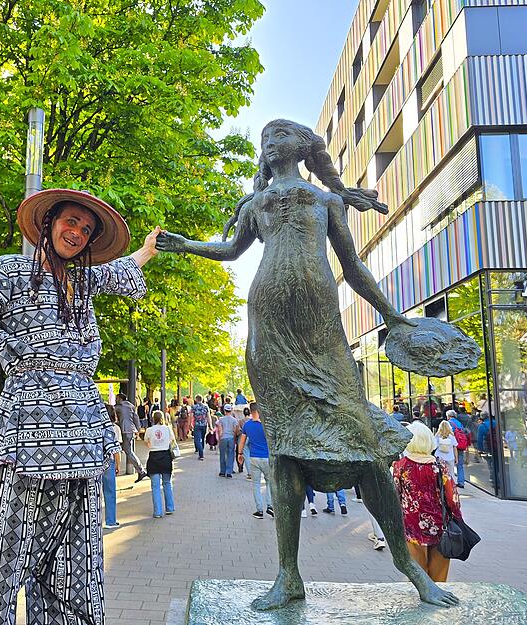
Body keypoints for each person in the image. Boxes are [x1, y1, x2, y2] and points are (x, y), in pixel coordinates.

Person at [157, 119, 460, 608]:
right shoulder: (256, 204)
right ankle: (287, 575)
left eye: (281, 135)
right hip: (269, 327)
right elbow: (231, 251)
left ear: (303, 147)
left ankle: (411, 570)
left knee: (360, 442)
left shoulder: (326, 201)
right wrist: (184, 244)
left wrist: (393, 317)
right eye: (266, 138)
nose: (271, 142)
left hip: (320, 324)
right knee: (284, 448)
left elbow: (355, 268)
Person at [0, 188, 160, 625]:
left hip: (85, 440)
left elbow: (123, 270)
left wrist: (146, 250)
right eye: (71, 221)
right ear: (49, 222)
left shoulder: (83, 280)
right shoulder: (9, 270)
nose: (77, 233)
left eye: (86, 230)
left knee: (76, 568)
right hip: (28, 436)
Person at [393, 422, 463, 583]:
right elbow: (452, 498)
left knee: (417, 573)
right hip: (440, 524)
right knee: (439, 575)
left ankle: (421, 598)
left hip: (411, 525)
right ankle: (439, 599)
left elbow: (395, 495)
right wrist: (457, 518)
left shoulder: (401, 466)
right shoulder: (440, 465)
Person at [237, 402, 273, 518]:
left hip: (254, 458)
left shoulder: (247, 425)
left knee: (256, 484)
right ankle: (270, 506)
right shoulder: (267, 425)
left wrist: (240, 453)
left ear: (251, 411)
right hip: (267, 458)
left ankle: (259, 510)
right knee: (269, 483)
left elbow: (242, 441)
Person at [145, 410, 175, 518]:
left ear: (153, 419)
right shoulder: (167, 429)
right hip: (166, 457)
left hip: (153, 458)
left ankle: (157, 511)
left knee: (155, 486)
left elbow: (146, 442)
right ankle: (170, 508)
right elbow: (172, 441)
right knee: (167, 483)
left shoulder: (149, 430)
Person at [116, 393, 148, 482]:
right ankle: (140, 470)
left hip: (125, 430)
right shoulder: (131, 406)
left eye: (117, 398)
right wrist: (137, 429)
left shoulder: (119, 407)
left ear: (120, 399)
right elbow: (136, 418)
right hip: (131, 430)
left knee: (128, 451)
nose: (116, 399)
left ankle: (141, 470)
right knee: (128, 451)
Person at [102, 405, 122, 529]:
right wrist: (118, 464)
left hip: (96, 463)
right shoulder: (115, 428)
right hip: (109, 462)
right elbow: (116, 450)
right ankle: (110, 520)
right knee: (110, 492)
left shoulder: (94, 426)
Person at [216, 403, 239, 478]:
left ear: (224, 411)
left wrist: (219, 439)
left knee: (222, 455)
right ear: (231, 410)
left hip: (223, 438)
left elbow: (220, 430)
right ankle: (229, 471)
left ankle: (222, 471)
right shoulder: (234, 420)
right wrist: (234, 438)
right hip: (231, 438)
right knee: (230, 454)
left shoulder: (221, 419)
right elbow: (235, 430)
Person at [445, 410, 467, 487]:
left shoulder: (448, 423)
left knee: (449, 463)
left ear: (448, 416)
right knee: (460, 464)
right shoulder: (459, 423)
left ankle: (450, 481)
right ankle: (461, 481)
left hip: (451, 446)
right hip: (460, 445)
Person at [191, 394, 210, 460]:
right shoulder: (206, 406)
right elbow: (208, 416)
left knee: (197, 440)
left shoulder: (194, 407)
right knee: (202, 438)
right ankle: (201, 450)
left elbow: (191, 416)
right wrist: (210, 426)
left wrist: (190, 424)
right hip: (204, 425)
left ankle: (201, 453)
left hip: (197, 425)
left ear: (196, 399)